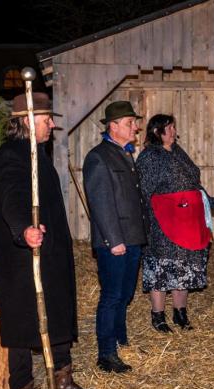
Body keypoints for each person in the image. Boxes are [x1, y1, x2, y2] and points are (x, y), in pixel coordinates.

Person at [0, 93, 96, 389]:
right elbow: (11, 197)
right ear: (26, 119)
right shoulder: (11, 155)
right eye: (46, 118)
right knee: (23, 326)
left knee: (60, 312)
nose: (52, 123)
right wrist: (24, 230)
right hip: (25, 258)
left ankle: (62, 382)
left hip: (51, 253)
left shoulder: (40, 155)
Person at [136, 114, 214, 332]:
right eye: (169, 128)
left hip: (188, 221)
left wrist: (211, 202)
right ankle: (158, 316)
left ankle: (180, 313)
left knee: (183, 266)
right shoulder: (149, 157)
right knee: (162, 267)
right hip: (163, 222)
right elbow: (144, 192)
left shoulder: (178, 152)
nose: (173, 131)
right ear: (156, 132)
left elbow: (194, 184)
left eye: (174, 127)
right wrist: (148, 222)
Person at [83, 101, 148, 374]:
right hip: (115, 242)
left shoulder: (125, 154)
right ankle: (106, 354)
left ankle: (121, 341)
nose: (136, 127)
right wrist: (113, 240)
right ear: (114, 126)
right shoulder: (98, 157)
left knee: (125, 294)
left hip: (131, 237)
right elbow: (101, 203)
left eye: (134, 122)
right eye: (130, 122)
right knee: (111, 296)